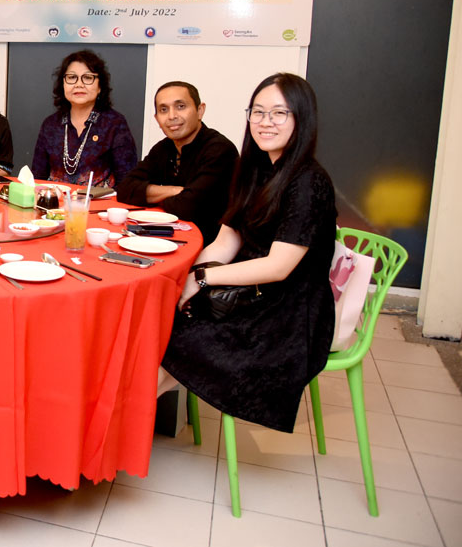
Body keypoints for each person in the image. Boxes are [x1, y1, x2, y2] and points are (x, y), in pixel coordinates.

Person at [161, 73, 337, 432]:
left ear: (302, 118)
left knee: (171, 338)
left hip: (287, 311)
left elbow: (278, 267)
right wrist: (187, 280)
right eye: (258, 112)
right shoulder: (255, 168)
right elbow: (226, 242)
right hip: (249, 293)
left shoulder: (308, 181)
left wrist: (202, 278)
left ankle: (114, 429)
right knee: (161, 324)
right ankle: (122, 425)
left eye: (279, 113)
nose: (265, 122)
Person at [118, 81, 238, 241]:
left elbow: (187, 207)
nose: (172, 116)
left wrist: (154, 195)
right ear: (156, 118)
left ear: (200, 110)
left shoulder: (219, 149)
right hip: (168, 238)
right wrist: (175, 191)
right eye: (163, 110)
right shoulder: (164, 148)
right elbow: (125, 189)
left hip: (212, 245)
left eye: (180, 106)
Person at [30, 49, 137, 188]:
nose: (79, 84)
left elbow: (127, 183)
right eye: (71, 77)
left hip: (101, 201)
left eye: (87, 77)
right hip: (55, 200)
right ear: (63, 84)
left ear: (99, 86)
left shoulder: (115, 123)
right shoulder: (50, 125)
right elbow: (37, 179)